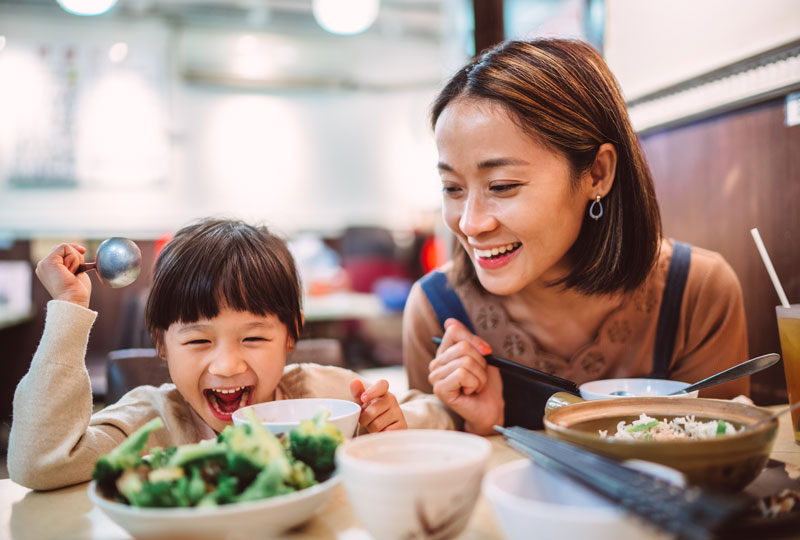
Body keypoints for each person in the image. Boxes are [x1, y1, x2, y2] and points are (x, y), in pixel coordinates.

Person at [402, 38, 749, 435]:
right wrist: (478, 430)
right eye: (452, 188)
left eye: (501, 186)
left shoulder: (697, 292)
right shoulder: (435, 310)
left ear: (596, 173)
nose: (470, 223)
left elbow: (719, 462)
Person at [9, 218, 455, 490]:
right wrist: (68, 309)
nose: (226, 365)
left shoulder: (329, 399)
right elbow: (39, 463)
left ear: (290, 337)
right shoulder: (152, 423)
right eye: (199, 341)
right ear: (162, 344)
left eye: (254, 339)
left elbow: (435, 415)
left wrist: (394, 426)